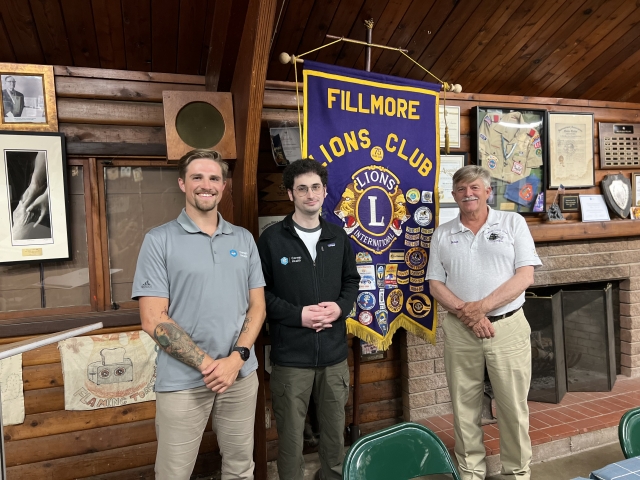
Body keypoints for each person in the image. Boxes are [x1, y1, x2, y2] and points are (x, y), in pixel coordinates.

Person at [132, 149, 266, 480]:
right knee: (173, 473)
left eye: (214, 178)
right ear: (182, 183)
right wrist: (210, 366)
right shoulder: (159, 240)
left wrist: (236, 359)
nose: (206, 185)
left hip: (240, 375)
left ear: (224, 186)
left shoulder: (244, 239)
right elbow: (153, 319)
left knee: (240, 468)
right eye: (197, 177)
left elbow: (257, 306)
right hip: (183, 381)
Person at [426, 165, 541, 480]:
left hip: (508, 327)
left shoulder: (512, 223)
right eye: (461, 189)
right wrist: (468, 312)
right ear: (454, 196)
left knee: (513, 408)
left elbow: (525, 276)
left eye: (474, 187)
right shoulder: (442, 233)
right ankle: (470, 472)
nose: (468, 194)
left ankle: (517, 473)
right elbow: (435, 284)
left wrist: (482, 308)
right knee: (464, 409)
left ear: (488, 191)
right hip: (461, 331)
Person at [257, 159, 359, 480]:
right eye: (302, 188)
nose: (310, 194)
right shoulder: (273, 240)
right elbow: (260, 295)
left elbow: (351, 282)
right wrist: (298, 315)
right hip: (291, 360)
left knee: (334, 438)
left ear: (325, 191)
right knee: (290, 442)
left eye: (316, 187)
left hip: (333, 357)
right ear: (291, 194)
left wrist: (340, 308)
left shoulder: (337, 236)